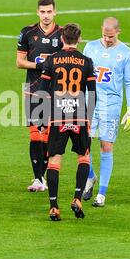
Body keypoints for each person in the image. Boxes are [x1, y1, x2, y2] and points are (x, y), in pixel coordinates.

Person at [38, 23, 96, 221]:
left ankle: (54, 206)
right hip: (79, 114)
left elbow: (43, 92)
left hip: (57, 115)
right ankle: (77, 198)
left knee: (54, 159)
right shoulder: (87, 61)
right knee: (84, 157)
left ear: (62, 38)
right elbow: (92, 93)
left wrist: (43, 118)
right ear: (79, 39)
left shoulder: (52, 60)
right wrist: (89, 118)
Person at [81, 17, 130, 207]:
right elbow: (82, 74)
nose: (107, 39)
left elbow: (129, 81)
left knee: (106, 146)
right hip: (89, 102)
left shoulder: (126, 53)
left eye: (111, 36)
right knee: (82, 145)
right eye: (104, 35)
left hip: (111, 104)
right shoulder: (90, 47)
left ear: (118, 32)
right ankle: (90, 176)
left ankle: (101, 194)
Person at [16, 0, 64, 192]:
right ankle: (38, 178)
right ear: (37, 12)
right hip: (34, 89)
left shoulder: (62, 34)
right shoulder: (27, 32)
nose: (46, 15)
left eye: (49, 11)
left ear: (55, 12)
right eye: (42, 12)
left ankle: (43, 177)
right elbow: (20, 61)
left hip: (57, 92)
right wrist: (41, 66)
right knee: (35, 133)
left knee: (49, 135)